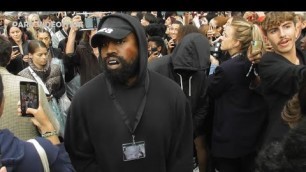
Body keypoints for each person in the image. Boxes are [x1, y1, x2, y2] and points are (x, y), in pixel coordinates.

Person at [64, 13, 193, 172]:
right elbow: (80, 156)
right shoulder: (84, 99)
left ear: (141, 44)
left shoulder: (171, 95)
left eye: (119, 41)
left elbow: (182, 156)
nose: (109, 50)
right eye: (104, 44)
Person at [148, 32, 210, 172]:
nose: (191, 72)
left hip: (189, 133)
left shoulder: (200, 71)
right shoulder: (156, 68)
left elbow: (203, 103)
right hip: (160, 136)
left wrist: (190, 128)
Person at [0, 74, 75, 171]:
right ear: (2, 104)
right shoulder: (39, 152)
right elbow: (65, 168)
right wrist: (47, 126)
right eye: (40, 56)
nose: (44, 58)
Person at [258, 11, 306, 145]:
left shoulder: (303, 55)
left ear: (297, 30)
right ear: (266, 38)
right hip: (282, 144)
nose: (282, 34)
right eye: (274, 30)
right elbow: (298, 75)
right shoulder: (268, 63)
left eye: (286, 26)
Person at [0, 34, 60, 140]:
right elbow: (53, 128)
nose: (43, 57)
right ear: (9, 58)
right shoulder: (27, 87)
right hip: (29, 151)